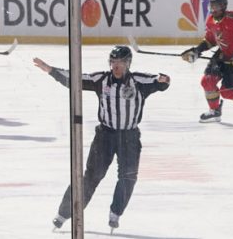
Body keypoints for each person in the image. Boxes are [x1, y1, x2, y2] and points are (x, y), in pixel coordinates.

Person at [34, 46, 170, 232]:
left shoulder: (138, 81)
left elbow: (160, 82)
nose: (116, 66)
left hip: (129, 136)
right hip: (105, 136)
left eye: (120, 62)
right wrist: (51, 70)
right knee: (91, 177)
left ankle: (115, 213)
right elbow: (75, 79)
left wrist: (164, 80)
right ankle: (64, 214)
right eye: (113, 62)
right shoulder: (101, 80)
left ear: (128, 63)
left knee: (128, 177)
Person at [180, 0, 233, 122]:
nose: (213, 10)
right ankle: (215, 111)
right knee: (207, 81)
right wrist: (197, 51)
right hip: (222, 55)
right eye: (211, 7)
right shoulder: (211, 21)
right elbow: (210, 40)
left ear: (223, 6)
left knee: (227, 93)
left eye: (216, 7)